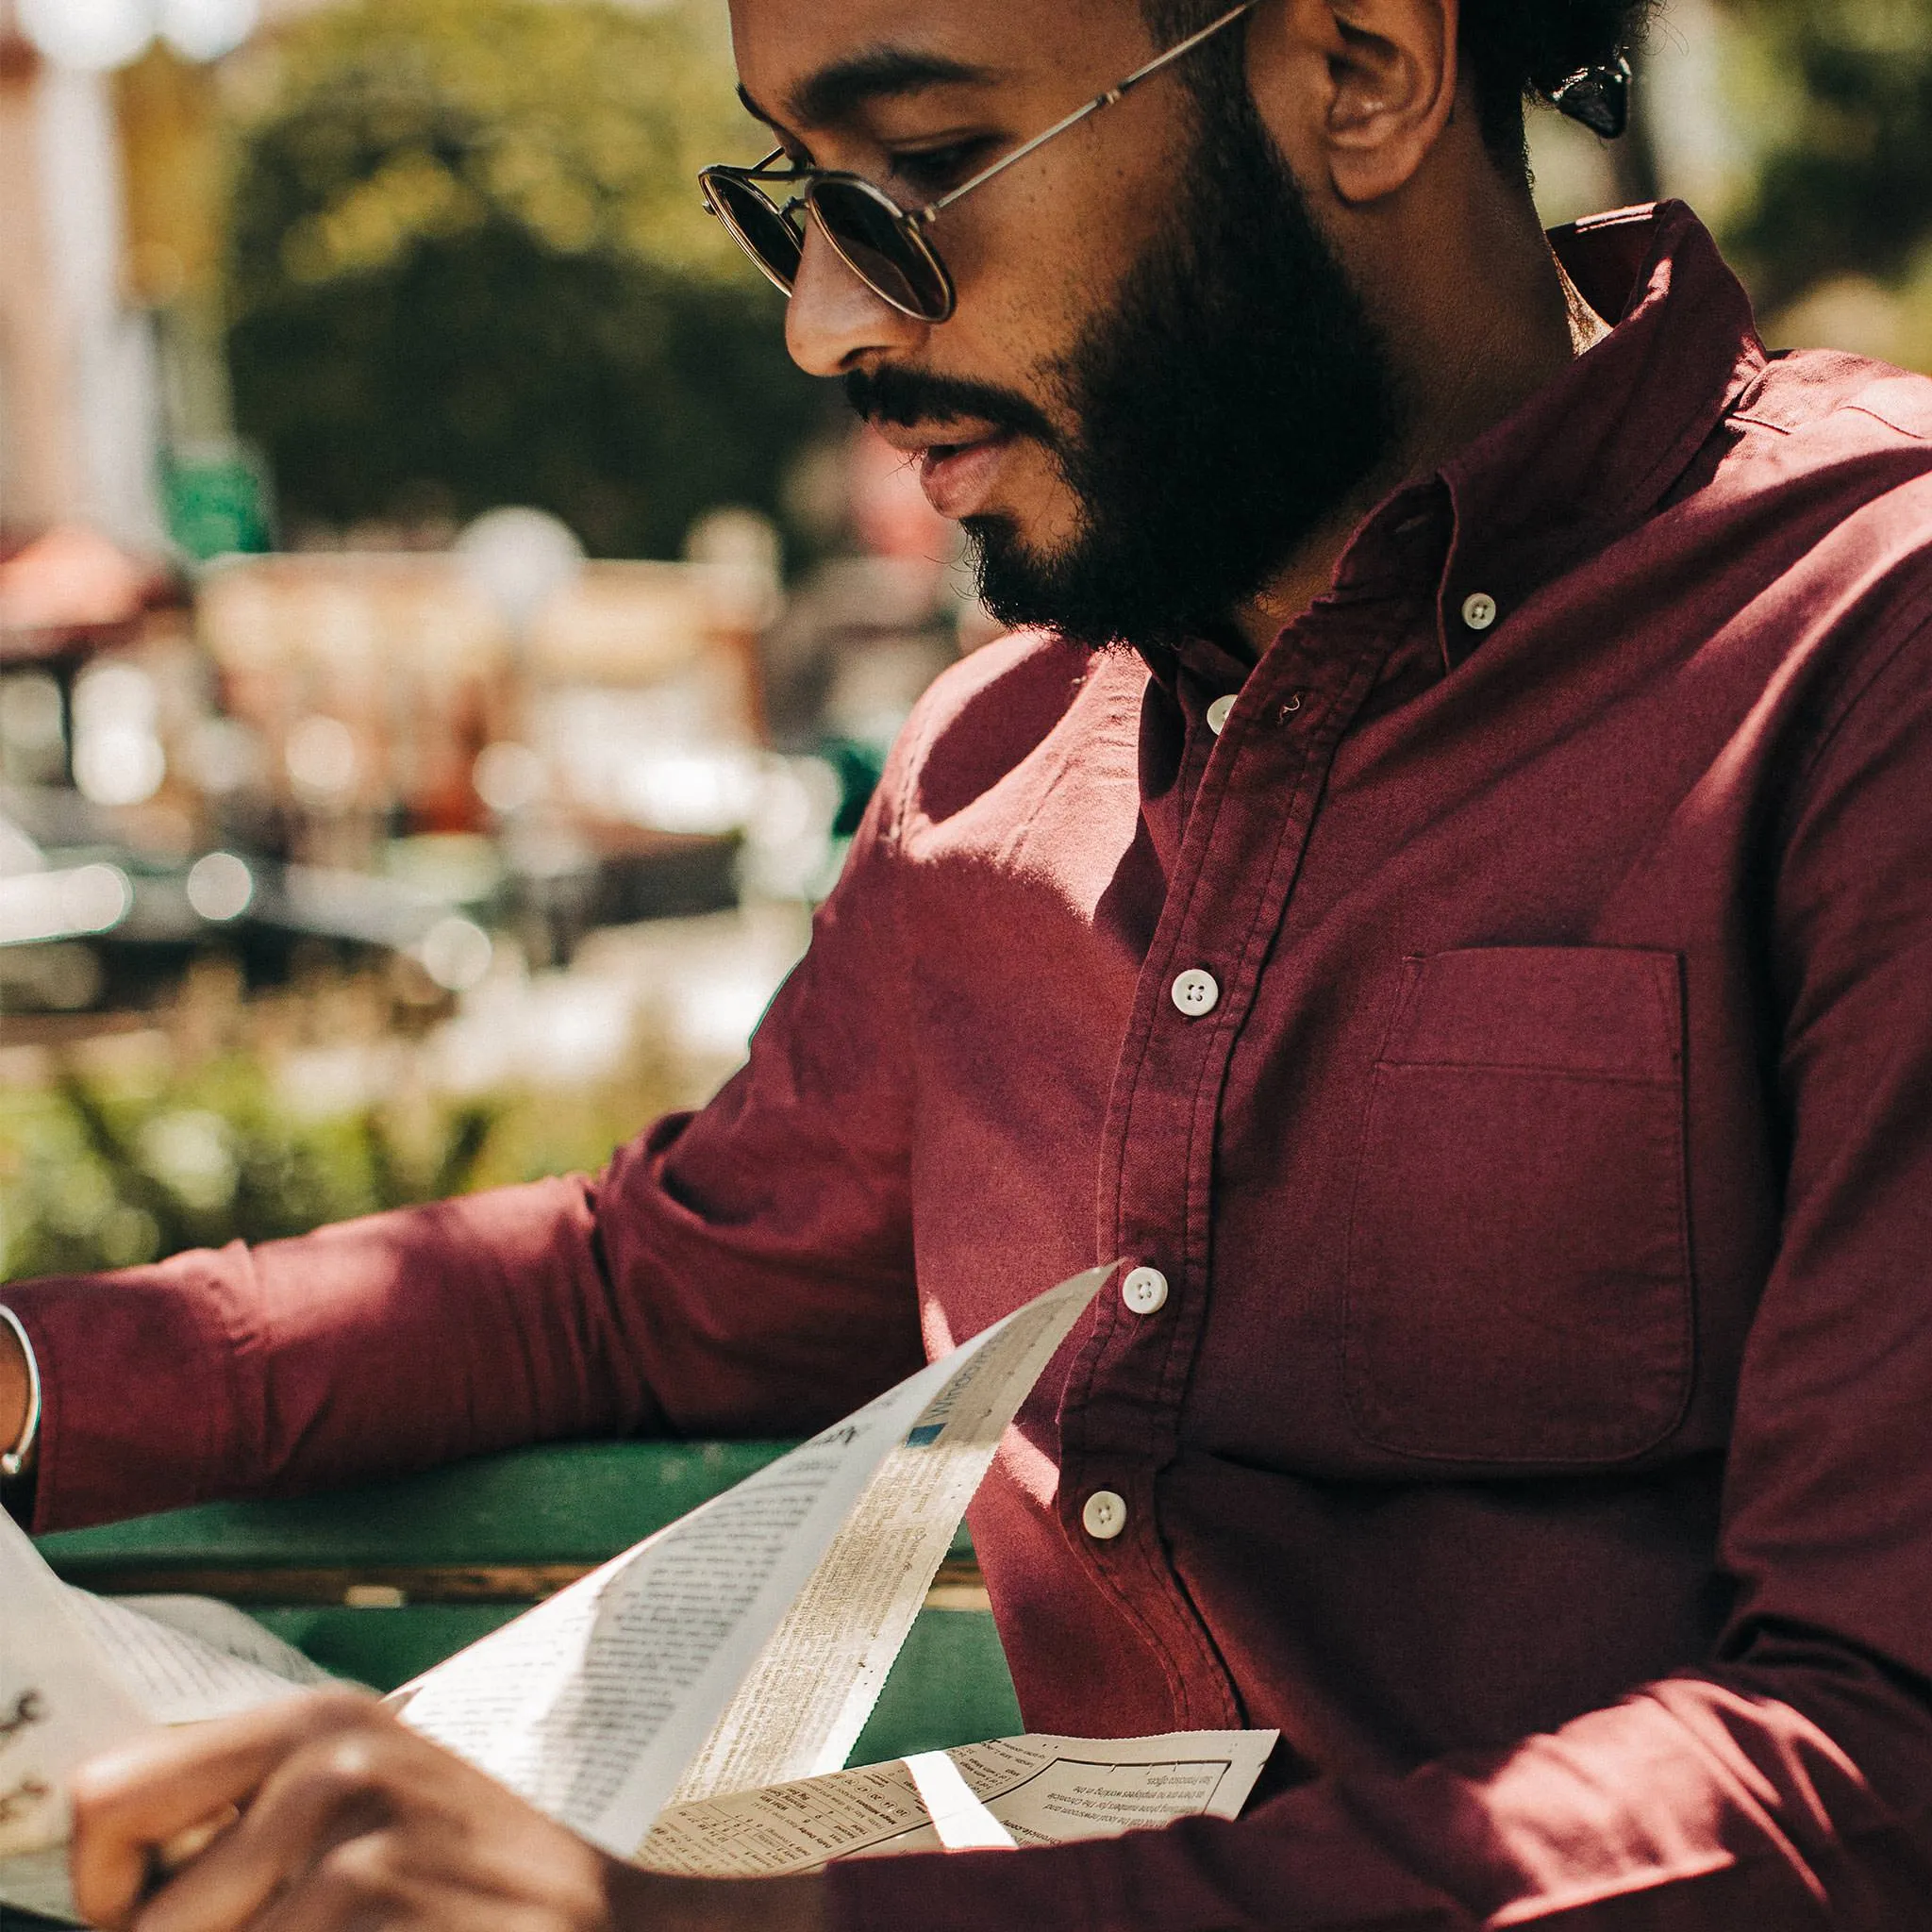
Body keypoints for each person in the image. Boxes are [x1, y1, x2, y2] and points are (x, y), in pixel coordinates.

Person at [9, 0, 1932, 1924]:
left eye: (921, 175)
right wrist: (25, 1380)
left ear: (1362, 71)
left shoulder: (1868, 647)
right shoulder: (997, 766)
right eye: (794, 206)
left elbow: (1877, 1761)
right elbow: (654, 1286)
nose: (825, 323)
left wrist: (708, 1919)